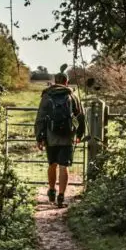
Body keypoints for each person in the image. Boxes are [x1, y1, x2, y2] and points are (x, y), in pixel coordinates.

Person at [35, 71, 86, 207]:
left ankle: (52, 190)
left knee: (52, 164)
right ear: (66, 82)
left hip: (50, 137)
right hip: (67, 137)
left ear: (55, 81)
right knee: (64, 166)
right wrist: (79, 134)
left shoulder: (47, 95)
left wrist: (39, 137)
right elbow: (80, 116)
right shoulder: (72, 95)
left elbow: (40, 117)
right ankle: (61, 197)